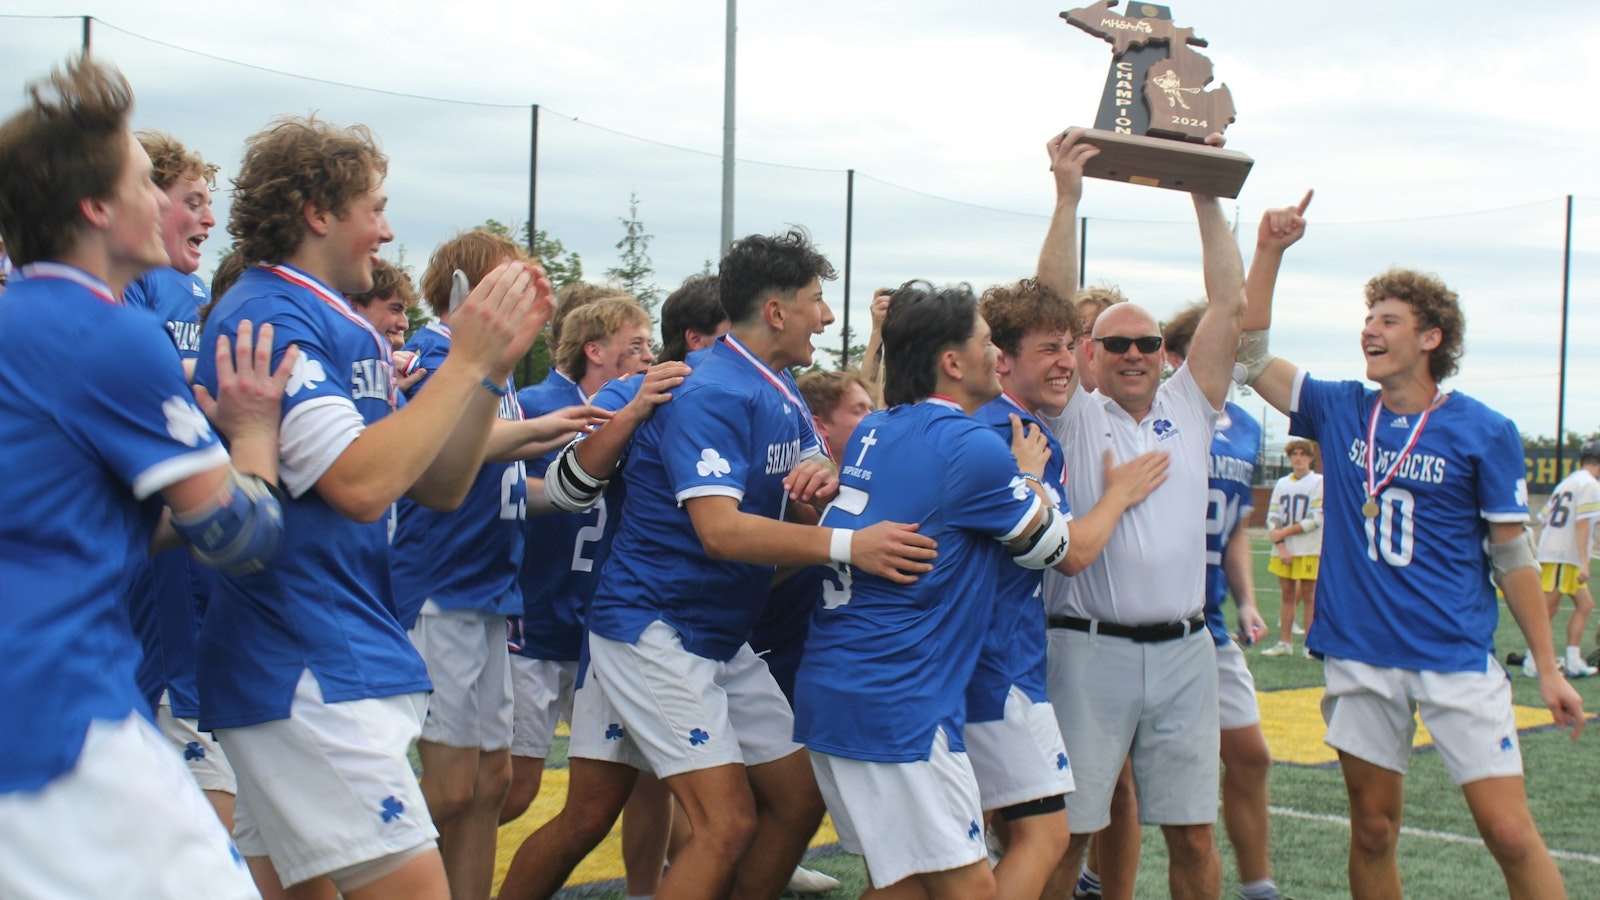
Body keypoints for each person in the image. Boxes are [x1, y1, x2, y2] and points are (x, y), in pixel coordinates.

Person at [195, 115, 550, 900]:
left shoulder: (329, 317)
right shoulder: (274, 314)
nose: (387, 231)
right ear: (318, 213)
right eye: (375, 208)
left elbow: (436, 483)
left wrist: (487, 371)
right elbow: (359, 487)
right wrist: (462, 358)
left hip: (326, 650)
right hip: (304, 661)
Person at [1236, 193, 1586, 899]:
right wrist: (1269, 251)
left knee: (1510, 833)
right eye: (1367, 317)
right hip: (1362, 653)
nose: (1370, 329)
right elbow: (1248, 358)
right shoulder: (1339, 408)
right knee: (1372, 829)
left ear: (1430, 338)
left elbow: (1514, 556)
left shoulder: (1483, 428)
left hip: (1454, 654)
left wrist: (1547, 668)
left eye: (1388, 320)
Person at [0, 55, 288, 898]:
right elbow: (237, 538)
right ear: (97, 208)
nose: (166, 203)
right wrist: (254, 443)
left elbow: (77, 514)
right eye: (145, 183)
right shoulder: (107, 334)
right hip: (54, 704)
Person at [582, 228, 938, 900]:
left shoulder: (776, 385)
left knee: (798, 801)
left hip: (716, 634)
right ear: (775, 312)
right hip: (655, 628)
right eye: (815, 300)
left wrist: (826, 482)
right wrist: (850, 546)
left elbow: (810, 482)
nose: (827, 316)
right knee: (720, 825)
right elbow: (719, 531)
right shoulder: (711, 389)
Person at [795, 282, 1158, 898]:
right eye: (989, 343)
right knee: (976, 882)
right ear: (953, 362)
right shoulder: (973, 442)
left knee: (908, 882)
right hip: (903, 693)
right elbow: (1053, 549)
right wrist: (1034, 478)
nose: (998, 357)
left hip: (845, 679)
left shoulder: (876, 427)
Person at [1034, 127, 1246, 900]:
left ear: (1166, 352)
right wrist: (1067, 198)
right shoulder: (1077, 416)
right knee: (1068, 831)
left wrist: (1203, 187)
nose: (1133, 353)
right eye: (1115, 343)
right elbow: (1051, 305)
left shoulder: (1190, 405)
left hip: (1187, 651)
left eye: (1148, 343)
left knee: (1192, 834)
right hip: (1089, 654)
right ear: (1086, 353)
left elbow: (1230, 302)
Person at [971, 278, 1167, 900]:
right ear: (1000, 359)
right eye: (1051, 348)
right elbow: (1069, 554)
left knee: (971, 846)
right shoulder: (1008, 432)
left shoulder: (1005, 424)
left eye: (1069, 346)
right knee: (1040, 837)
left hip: (980, 656)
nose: (1066, 362)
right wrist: (1118, 496)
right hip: (990, 662)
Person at [1528, 439, 1600, 678]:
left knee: (1585, 604)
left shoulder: (1568, 482)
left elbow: (1543, 516)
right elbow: (1582, 523)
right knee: (1547, 608)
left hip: (1555, 551)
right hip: (1564, 555)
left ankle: (1572, 660)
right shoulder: (1589, 484)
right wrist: (1584, 560)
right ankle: (1532, 660)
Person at [1262, 439, 1323, 658]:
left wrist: (1283, 534)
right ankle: (1284, 642)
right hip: (1284, 549)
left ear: (1310, 457)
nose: (1298, 458)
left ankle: (1310, 644)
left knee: (1309, 596)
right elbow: (1273, 516)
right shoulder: (1281, 483)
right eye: (1294, 454)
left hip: (1307, 548)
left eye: (1302, 454)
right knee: (1287, 595)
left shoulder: (1318, 482)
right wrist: (1280, 545)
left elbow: (1315, 519)